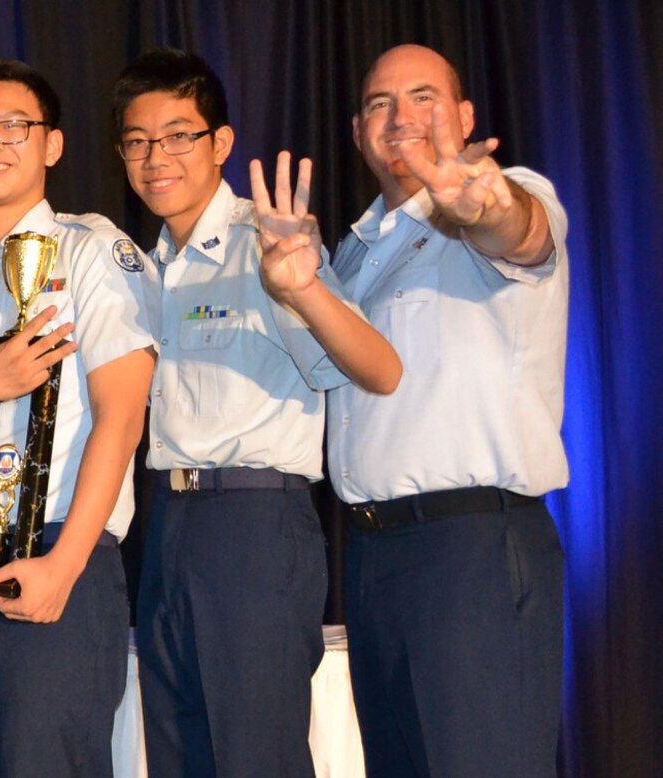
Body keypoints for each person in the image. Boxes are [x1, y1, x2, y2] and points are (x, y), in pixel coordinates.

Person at [111, 49, 403, 777]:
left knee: (257, 756)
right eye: (138, 142)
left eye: (178, 135)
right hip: (168, 525)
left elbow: (350, 367)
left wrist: (303, 287)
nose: (156, 158)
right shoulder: (143, 265)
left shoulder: (269, 241)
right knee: (178, 753)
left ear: (221, 143)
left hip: (253, 525)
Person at [0, 59, 157, 777]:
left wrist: (63, 567)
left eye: (14, 125)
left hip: (54, 559)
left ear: (52, 145)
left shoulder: (92, 252)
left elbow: (122, 420)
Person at [330, 43, 568, 777]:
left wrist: (483, 205)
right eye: (379, 104)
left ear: (465, 117)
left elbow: (519, 230)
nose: (400, 118)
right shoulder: (352, 251)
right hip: (372, 558)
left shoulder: (506, 190)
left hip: (472, 551)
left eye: (423, 97)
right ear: (358, 130)